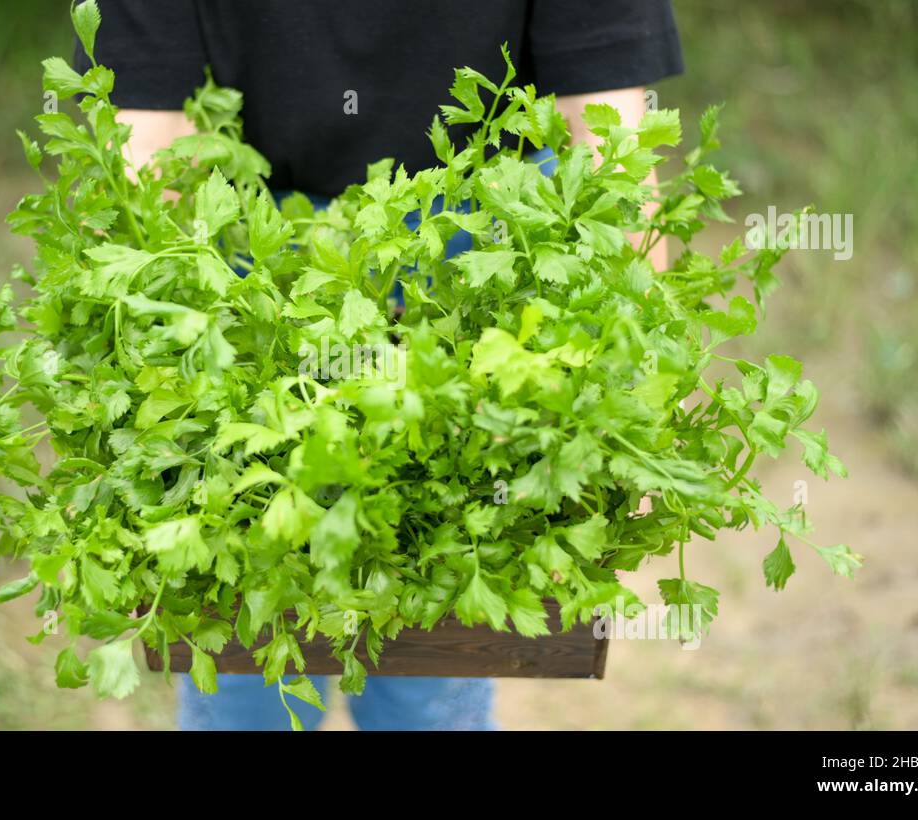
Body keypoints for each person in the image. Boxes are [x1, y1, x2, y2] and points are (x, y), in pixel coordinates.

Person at [79, 0, 683, 731]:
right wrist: (143, 395)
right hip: (244, 257)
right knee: (241, 640)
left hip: (487, 246)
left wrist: (632, 408)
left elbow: (610, 144)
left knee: (438, 643)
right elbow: (149, 149)